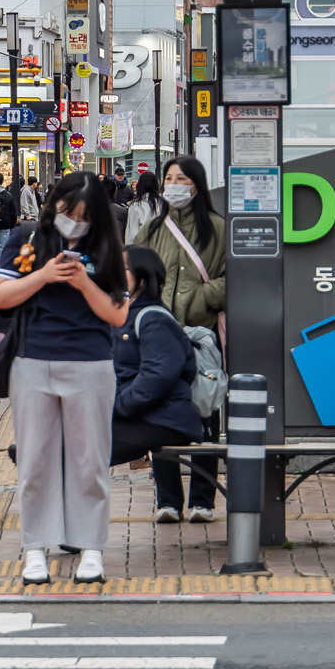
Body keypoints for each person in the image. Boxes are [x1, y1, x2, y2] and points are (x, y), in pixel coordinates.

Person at [0, 171, 130, 584]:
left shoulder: (107, 248)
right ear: (53, 205)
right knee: (35, 460)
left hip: (91, 363)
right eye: (67, 211)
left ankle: (91, 549)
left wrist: (85, 283)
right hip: (32, 361)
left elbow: (117, 313)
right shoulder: (28, 239)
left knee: (90, 462)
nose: (72, 221)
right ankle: (35, 548)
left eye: (83, 215)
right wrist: (44, 276)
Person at [136, 156, 226, 524]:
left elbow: (232, 277)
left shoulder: (219, 229)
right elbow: (134, 272)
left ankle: (203, 499)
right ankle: (168, 499)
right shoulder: (154, 229)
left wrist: (200, 298)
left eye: (182, 178)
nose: (173, 184)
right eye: (168, 178)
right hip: (162, 337)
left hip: (203, 337)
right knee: (160, 414)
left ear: (197, 185)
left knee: (205, 411)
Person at [111, 245, 202, 473]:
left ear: (143, 276)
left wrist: (116, 406)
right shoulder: (124, 315)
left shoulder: (153, 319)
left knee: (83, 448)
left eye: (123, 268)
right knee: (78, 445)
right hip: (142, 416)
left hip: (161, 419)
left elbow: (157, 376)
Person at [124, 171, 164, 246]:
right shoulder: (163, 204)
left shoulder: (136, 206)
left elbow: (131, 234)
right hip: (161, 249)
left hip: (141, 251)